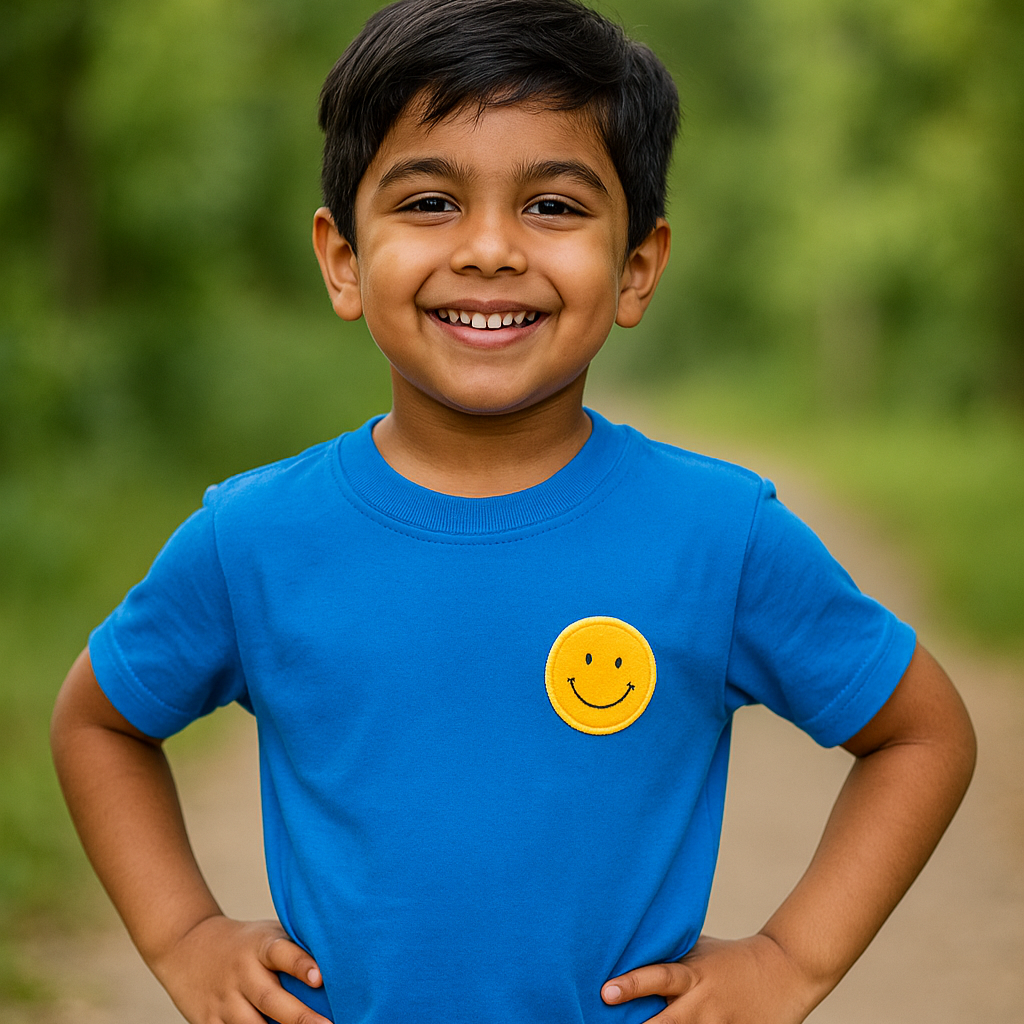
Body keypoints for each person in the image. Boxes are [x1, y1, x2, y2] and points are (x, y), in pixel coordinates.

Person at [49, 1, 977, 1022]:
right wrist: (182, 935)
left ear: (636, 267)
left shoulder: (721, 536)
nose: (490, 249)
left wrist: (790, 960)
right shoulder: (253, 540)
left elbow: (921, 735)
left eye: (552, 206)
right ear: (343, 259)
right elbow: (98, 719)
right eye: (431, 202)